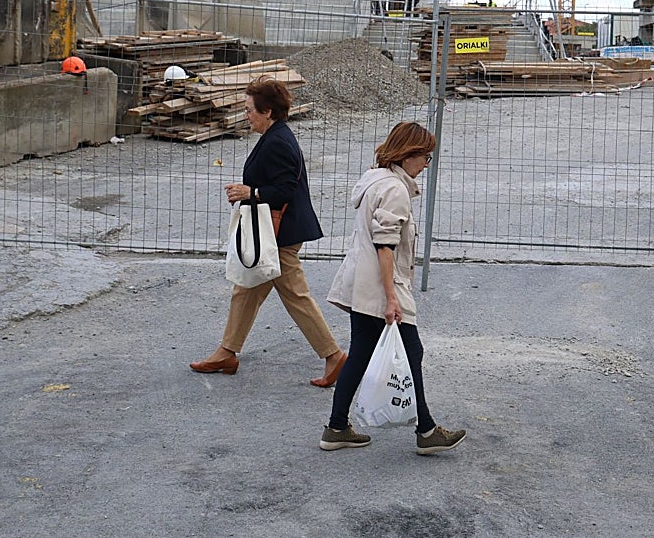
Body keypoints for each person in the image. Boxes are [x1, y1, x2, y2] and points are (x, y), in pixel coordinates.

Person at [320, 121, 466, 455]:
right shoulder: (395, 190)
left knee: (361, 354)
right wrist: (391, 298)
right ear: (408, 154)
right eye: (425, 157)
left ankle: (336, 427)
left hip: (362, 282)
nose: (427, 164)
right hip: (381, 286)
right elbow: (385, 246)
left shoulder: (375, 180)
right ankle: (426, 430)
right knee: (412, 353)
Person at [190, 76, 347, 386]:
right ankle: (226, 352)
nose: (246, 115)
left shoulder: (277, 142)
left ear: (268, 111)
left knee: (295, 296)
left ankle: (334, 355)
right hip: (273, 232)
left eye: (250, 109)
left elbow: (286, 189)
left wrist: (251, 192)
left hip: (280, 235)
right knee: (245, 288)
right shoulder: (275, 136)